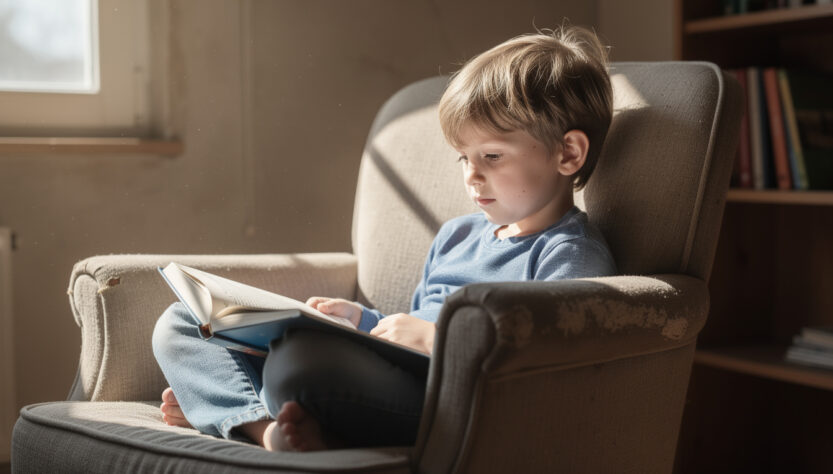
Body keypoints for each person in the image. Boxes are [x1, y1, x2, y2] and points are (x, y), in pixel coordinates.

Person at [152, 24, 618, 452]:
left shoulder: (569, 254)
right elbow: (410, 323)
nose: (472, 176)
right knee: (180, 323)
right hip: (379, 374)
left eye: (492, 156)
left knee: (300, 364)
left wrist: (440, 340)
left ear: (568, 153)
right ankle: (266, 426)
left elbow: (552, 364)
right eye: (463, 157)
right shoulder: (457, 236)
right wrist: (359, 319)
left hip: (442, 402)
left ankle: (229, 407)